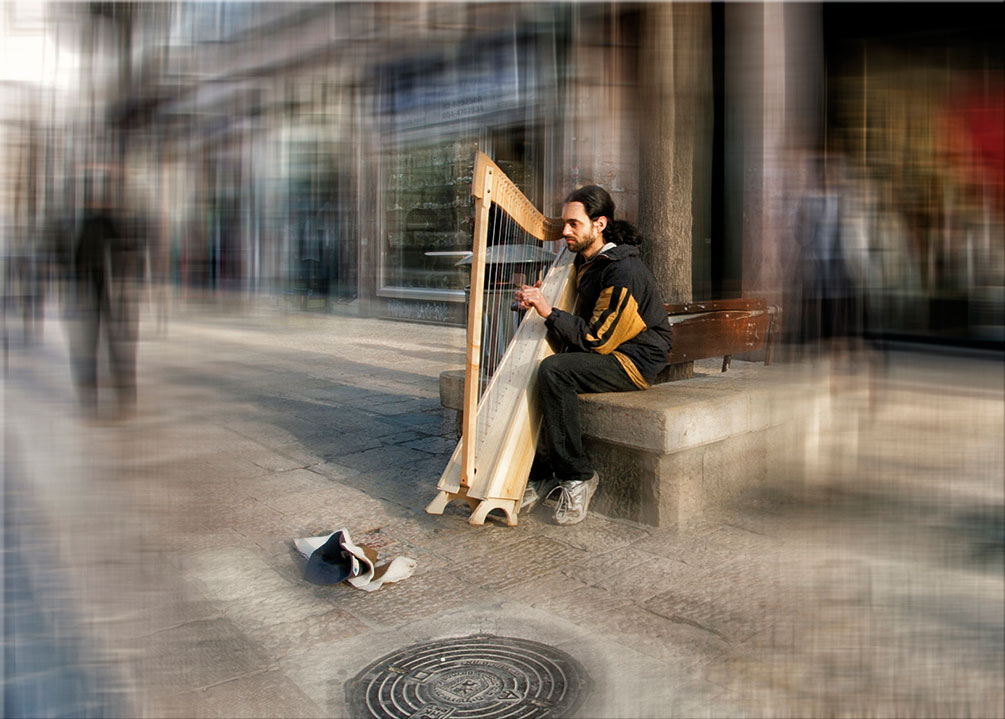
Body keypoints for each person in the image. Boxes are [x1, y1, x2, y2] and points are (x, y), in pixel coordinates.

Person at [514, 185, 672, 524]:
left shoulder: (623, 271)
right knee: (537, 370)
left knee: (555, 370)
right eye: (564, 225)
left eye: (574, 224)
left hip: (634, 361)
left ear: (599, 224)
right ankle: (543, 474)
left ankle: (578, 477)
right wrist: (537, 302)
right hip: (612, 348)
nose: (565, 232)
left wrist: (548, 311)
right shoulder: (587, 261)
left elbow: (598, 339)